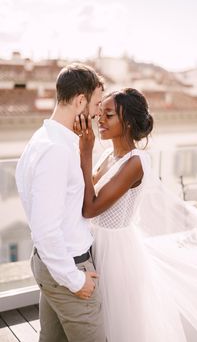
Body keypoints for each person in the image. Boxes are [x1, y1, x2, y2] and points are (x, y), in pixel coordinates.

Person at [74, 88, 197, 342]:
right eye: (99, 113)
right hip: (94, 243)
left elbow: (90, 207)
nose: (99, 120)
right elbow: (86, 191)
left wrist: (84, 152)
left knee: (118, 324)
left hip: (116, 252)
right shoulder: (107, 155)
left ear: (127, 122)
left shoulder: (136, 162)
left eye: (108, 114)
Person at [15, 63, 106, 342]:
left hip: (50, 265)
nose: (97, 113)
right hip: (67, 268)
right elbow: (45, 229)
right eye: (96, 103)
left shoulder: (44, 138)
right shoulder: (55, 150)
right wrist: (76, 280)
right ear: (80, 101)